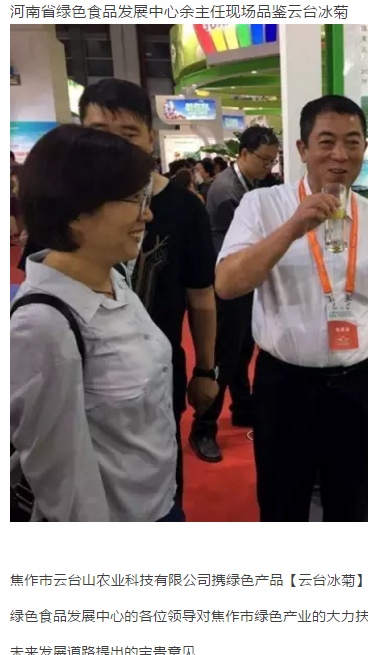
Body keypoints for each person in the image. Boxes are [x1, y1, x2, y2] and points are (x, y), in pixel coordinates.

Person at [215, 95, 368, 522]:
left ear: (364, 149)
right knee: (282, 504)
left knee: (352, 505)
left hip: (359, 385)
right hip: (286, 387)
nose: (340, 155)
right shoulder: (262, 206)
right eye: (326, 141)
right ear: (302, 149)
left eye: (352, 142)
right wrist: (293, 227)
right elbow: (227, 284)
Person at [10, 124, 181, 522]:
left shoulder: (114, 278)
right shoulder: (43, 325)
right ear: (76, 213)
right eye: (134, 200)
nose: (147, 214)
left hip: (160, 500)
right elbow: (63, 481)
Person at [79, 79, 219, 507]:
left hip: (157, 374)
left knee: (161, 484)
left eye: (128, 134)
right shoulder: (66, 203)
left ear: (150, 138)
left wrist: (206, 371)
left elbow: (201, 297)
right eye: (99, 132)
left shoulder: (185, 207)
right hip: (79, 377)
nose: (114, 147)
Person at [189, 127, 280, 463]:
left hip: (245, 283)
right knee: (224, 357)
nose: (268, 167)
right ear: (243, 154)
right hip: (226, 285)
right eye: (264, 160)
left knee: (243, 350)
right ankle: (203, 427)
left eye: (272, 161)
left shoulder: (253, 184)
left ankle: (242, 407)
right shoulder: (227, 191)